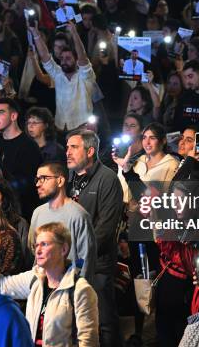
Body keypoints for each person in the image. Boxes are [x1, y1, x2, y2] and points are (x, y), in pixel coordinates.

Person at [0, 222, 99, 347]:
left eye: (44, 244)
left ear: (63, 249)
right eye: (36, 245)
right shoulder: (35, 279)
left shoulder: (80, 289)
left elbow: (88, 342)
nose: (38, 250)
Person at [66, 129, 123, 347]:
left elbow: (105, 228)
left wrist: (78, 255)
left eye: (74, 147)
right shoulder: (70, 178)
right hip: (71, 263)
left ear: (90, 151)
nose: (68, 152)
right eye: (68, 147)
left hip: (98, 264)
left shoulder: (107, 179)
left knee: (104, 320)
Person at [30, 162, 96, 279]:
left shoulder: (78, 215)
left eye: (43, 178)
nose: (37, 184)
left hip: (69, 289)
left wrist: (78, 292)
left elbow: (86, 260)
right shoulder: (37, 213)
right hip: (43, 287)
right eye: (37, 179)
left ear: (60, 181)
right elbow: (33, 249)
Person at [0, 98, 43, 220]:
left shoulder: (29, 146)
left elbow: (26, 185)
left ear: (13, 116)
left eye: (1, 112)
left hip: (18, 213)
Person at [30, 21, 95, 131]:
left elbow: (82, 56)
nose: (64, 61)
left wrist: (74, 33)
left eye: (68, 58)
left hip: (82, 129)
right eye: (62, 58)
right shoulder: (58, 74)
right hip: (60, 127)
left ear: (76, 60)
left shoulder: (85, 76)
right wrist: (35, 34)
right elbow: (45, 56)